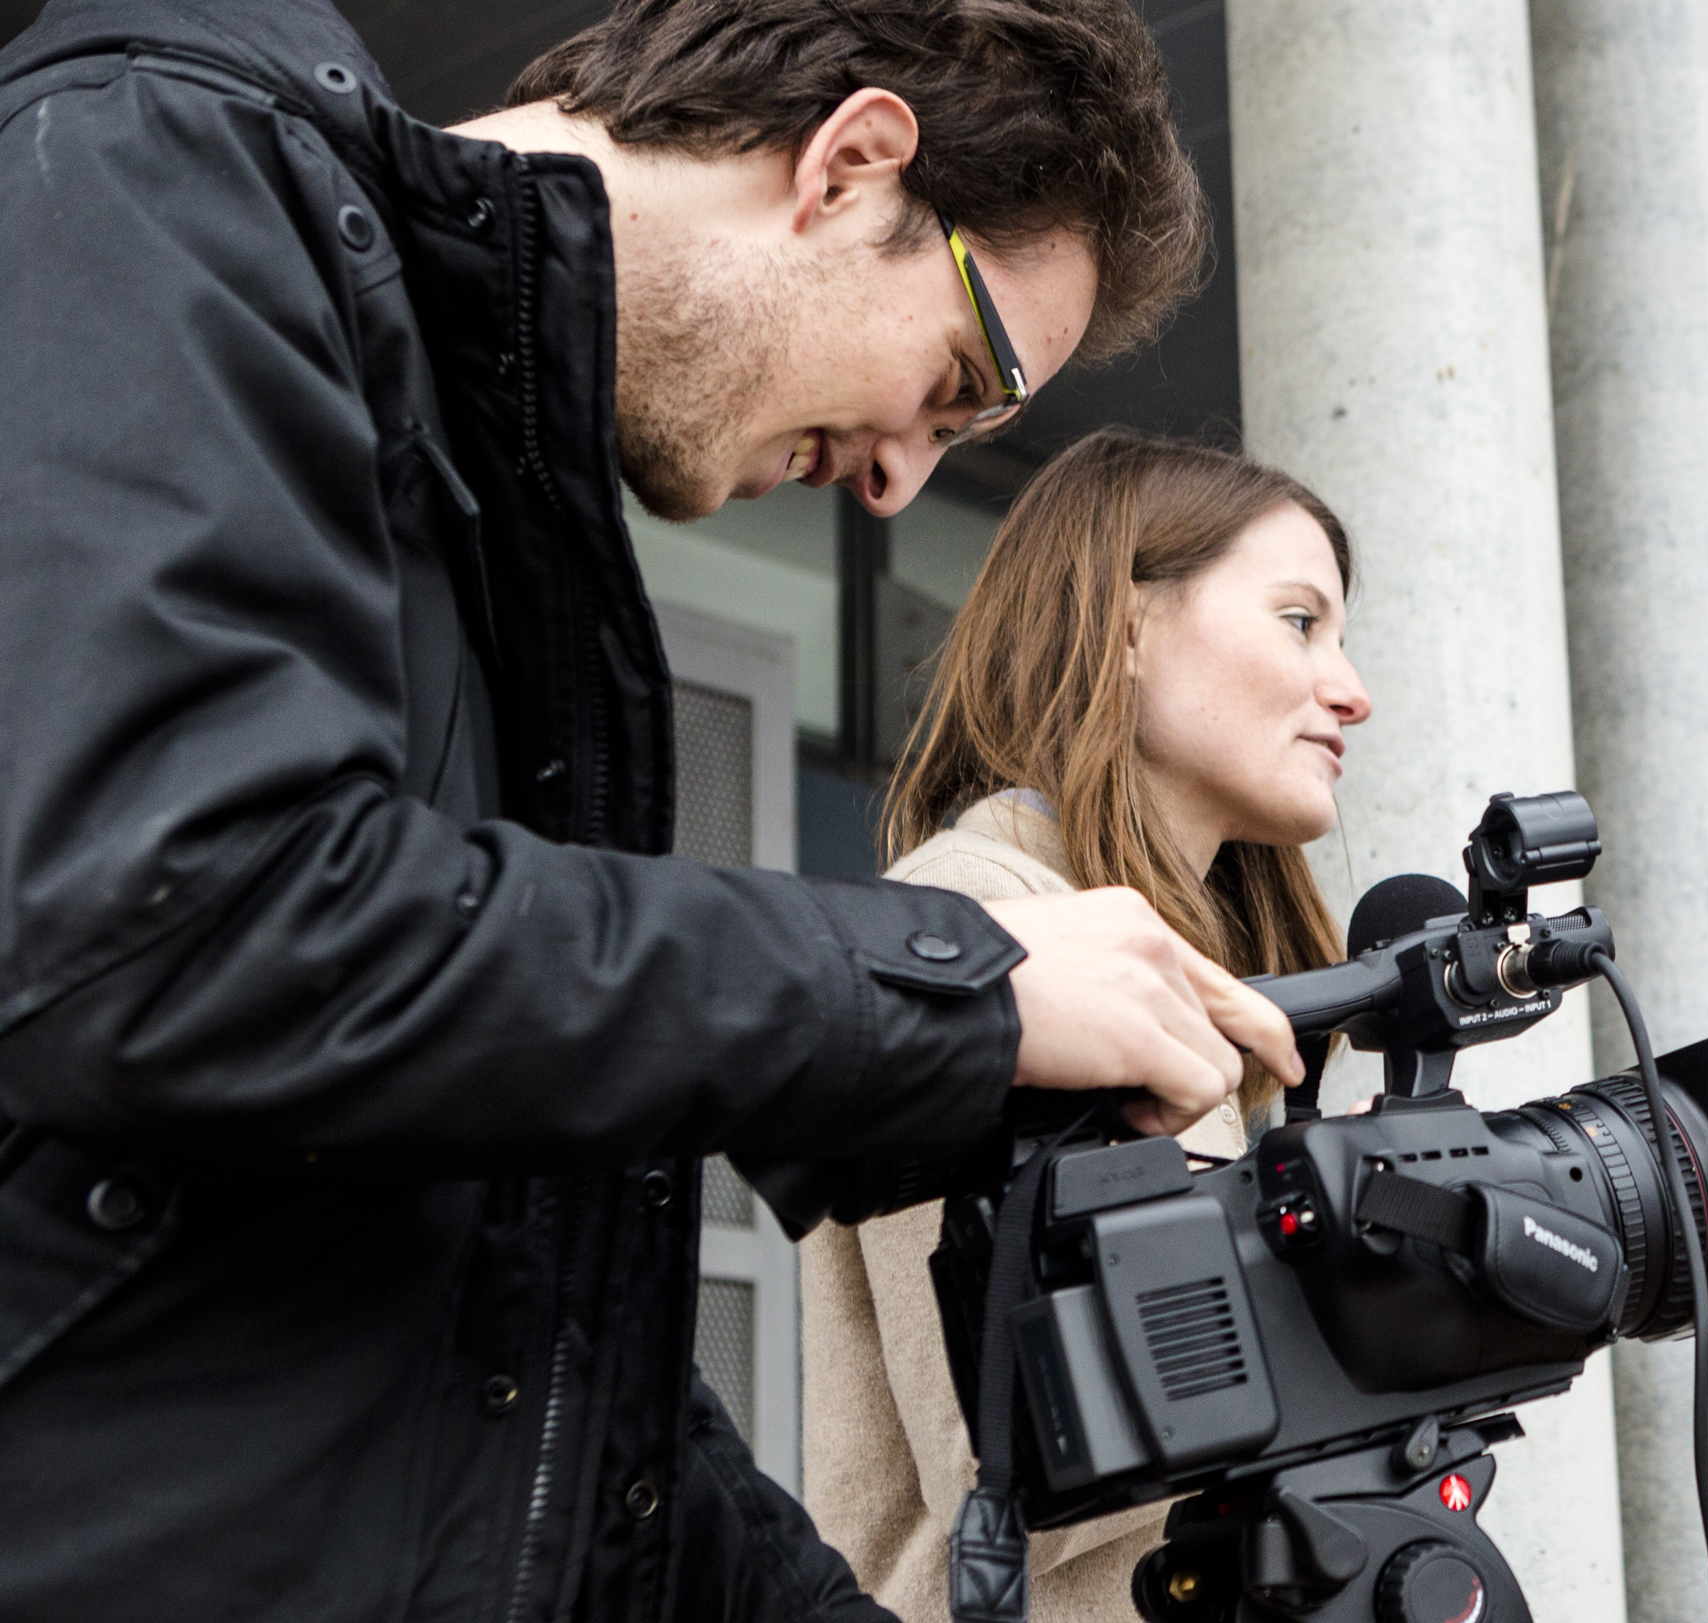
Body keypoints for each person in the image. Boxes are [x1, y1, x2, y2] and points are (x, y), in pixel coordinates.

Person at [0, 3, 1302, 1619]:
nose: (903, 480)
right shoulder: (152, 162)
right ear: (852, 165)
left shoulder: (518, 534)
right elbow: (176, 924)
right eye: (956, 382)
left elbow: (545, 1381)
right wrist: (959, 976)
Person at [800, 429, 1372, 1622]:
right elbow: (1018, 1437)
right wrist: (1372, 1281)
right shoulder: (979, 925)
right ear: (1122, 627)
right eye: (1297, 621)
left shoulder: (1196, 979)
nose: (1350, 690)